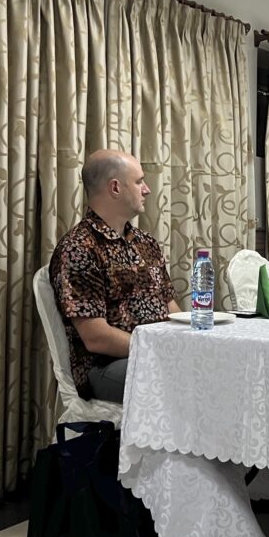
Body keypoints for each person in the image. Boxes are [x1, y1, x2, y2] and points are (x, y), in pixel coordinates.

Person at [49, 150, 182, 402]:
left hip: (156, 353)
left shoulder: (145, 243)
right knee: (185, 378)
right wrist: (158, 350)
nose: (147, 189)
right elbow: (96, 337)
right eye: (139, 181)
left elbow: (171, 308)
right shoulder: (79, 248)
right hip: (106, 367)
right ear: (115, 188)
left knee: (211, 368)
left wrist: (191, 342)